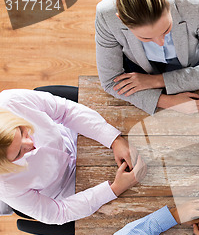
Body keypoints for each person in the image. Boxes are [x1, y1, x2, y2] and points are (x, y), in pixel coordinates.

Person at [0, 89, 145, 224]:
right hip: (69, 190)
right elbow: (57, 213)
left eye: (22, 131)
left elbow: (65, 111)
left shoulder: (12, 101)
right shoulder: (5, 187)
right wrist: (114, 189)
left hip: (76, 135)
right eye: (19, 152)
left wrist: (114, 139)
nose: (31, 143)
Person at [95, 0, 199, 115]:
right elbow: (110, 81)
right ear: (121, 20)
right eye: (146, 38)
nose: (160, 43)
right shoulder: (106, 15)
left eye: (166, 29)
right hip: (143, 66)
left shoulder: (196, 4)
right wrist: (167, 102)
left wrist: (155, 81)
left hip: (196, 60)